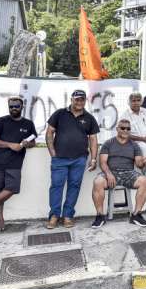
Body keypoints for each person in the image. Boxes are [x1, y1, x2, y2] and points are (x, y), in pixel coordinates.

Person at [0, 97, 37, 232]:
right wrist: (10, 145)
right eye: (11, 106)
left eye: (16, 106)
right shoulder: (1, 121)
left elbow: (33, 142)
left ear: (22, 107)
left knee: (12, 188)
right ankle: (0, 220)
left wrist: (27, 144)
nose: (13, 109)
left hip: (15, 163)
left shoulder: (28, 124)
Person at [45, 89, 99, 229]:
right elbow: (49, 132)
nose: (79, 102)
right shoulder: (60, 114)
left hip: (79, 159)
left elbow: (93, 139)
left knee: (74, 187)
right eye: (77, 99)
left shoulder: (89, 118)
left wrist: (93, 159)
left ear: (85, 101)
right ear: (71, 99)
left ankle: (68, 216)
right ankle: (54, 216)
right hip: (60, 159)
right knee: (56, 186)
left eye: (82, 99)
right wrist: (52, 152)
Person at [90, 119, 146, 228]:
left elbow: (139, 164)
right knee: (98, 182)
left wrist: (144, 162)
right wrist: (108, 174)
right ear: (117, 129)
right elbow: (103, 163)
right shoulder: (108, 143)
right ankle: (100, 216)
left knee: (145, 181)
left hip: (128, 173)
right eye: (122, 128)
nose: (125, 130)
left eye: (128, 129)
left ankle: (136, 215)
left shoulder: (134, 145)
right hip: (111, 172)